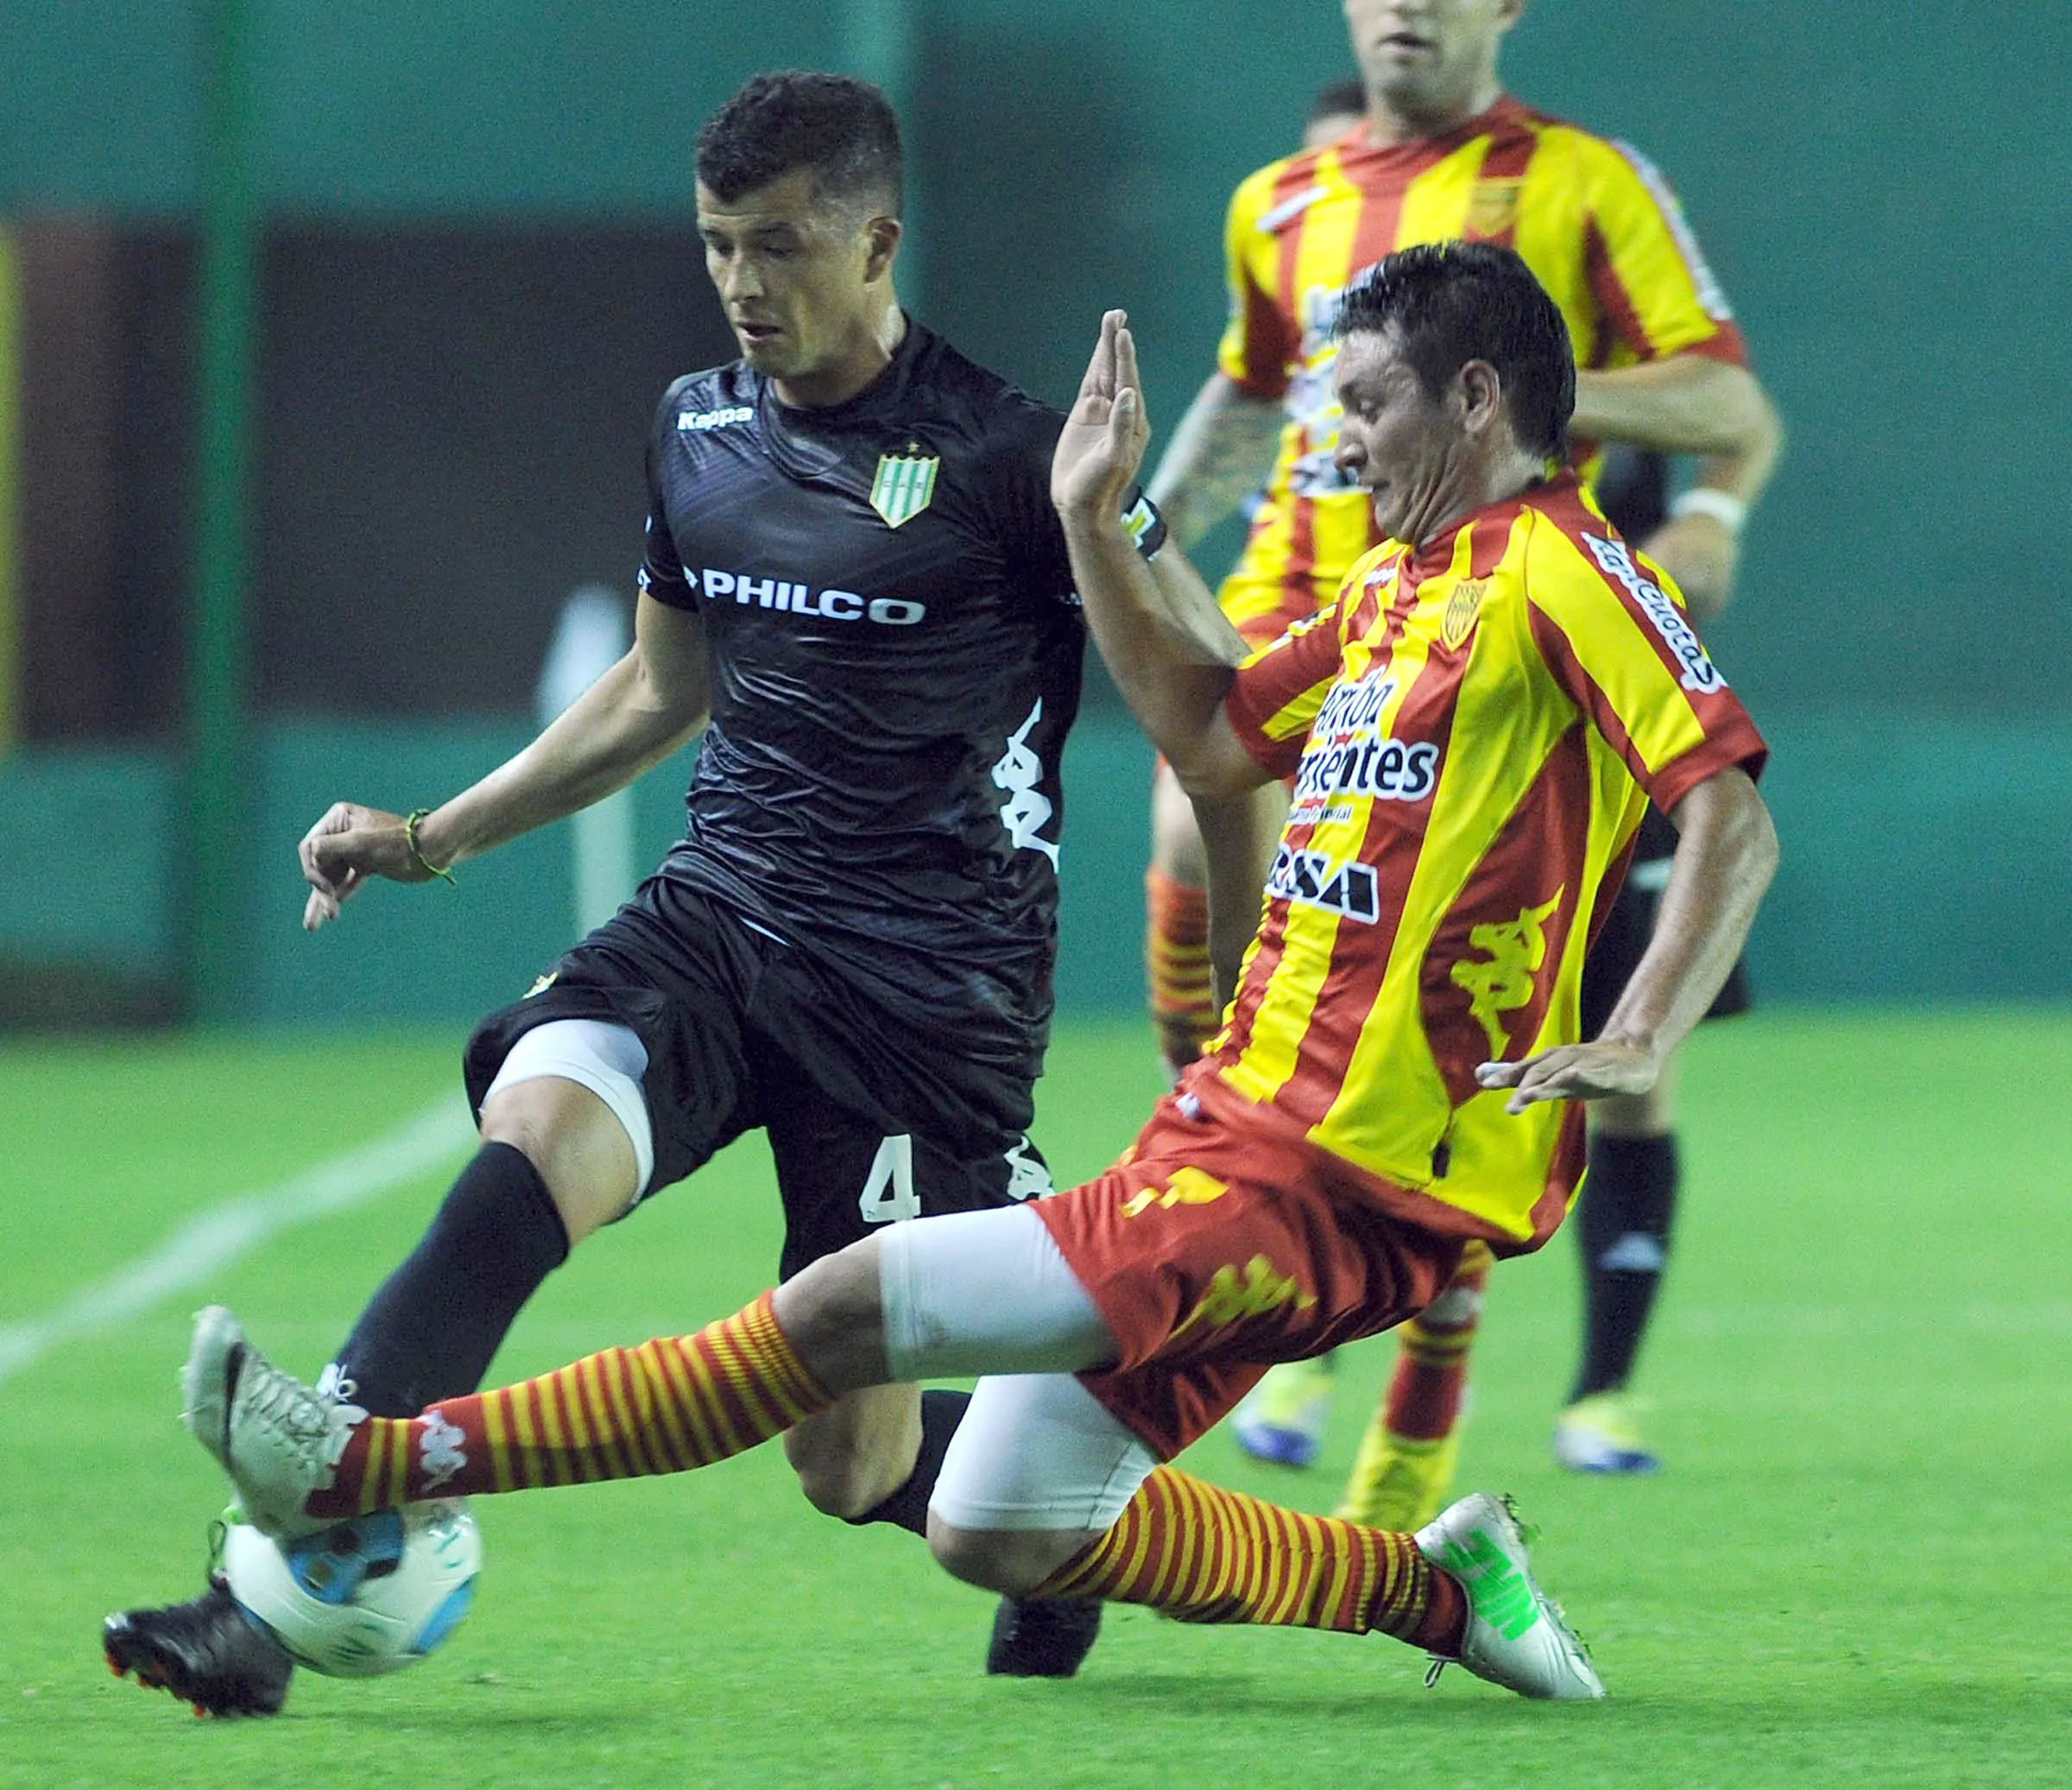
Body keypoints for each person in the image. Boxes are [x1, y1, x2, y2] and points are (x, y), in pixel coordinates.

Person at [176, 250, 1778, 1709]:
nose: (1336, 440)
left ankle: (361, 1465)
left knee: (843, 1314)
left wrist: (1643, 1029)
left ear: (1478, 397)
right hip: (1238, 1124)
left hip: (1351, 1170)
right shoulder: (1389, 590)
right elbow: (1211, 733)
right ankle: (1433, 1590)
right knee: (992, 1522)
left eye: (1363, 403)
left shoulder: (1568, 572)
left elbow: (1730, 812)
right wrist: (1093, 517)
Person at [101, 70, 1178, 1717]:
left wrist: (1121, 536)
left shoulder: (1019, 455)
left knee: (853, 1462)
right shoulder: (697, 425)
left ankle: (1067, 1517)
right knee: (533, 1135)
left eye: (778, 246)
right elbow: (655, 691)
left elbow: (1213, 692)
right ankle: (283, 1572)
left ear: (878, 239)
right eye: (716, 246)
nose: (744, 284)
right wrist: (431, 833)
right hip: (721, 918)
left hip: (926, 1003)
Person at [1147, 0, 1783, 1509]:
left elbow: (1729, 402)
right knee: (1200, 866)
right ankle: (1221, 1188)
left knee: (1440, 1027)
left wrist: (1530, 386)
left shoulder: (1577, 182)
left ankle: (1425, 1423)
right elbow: (1255, 382)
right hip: (1291, 611)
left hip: (1475, 635)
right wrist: (1135, 514)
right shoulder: (1276, 201)